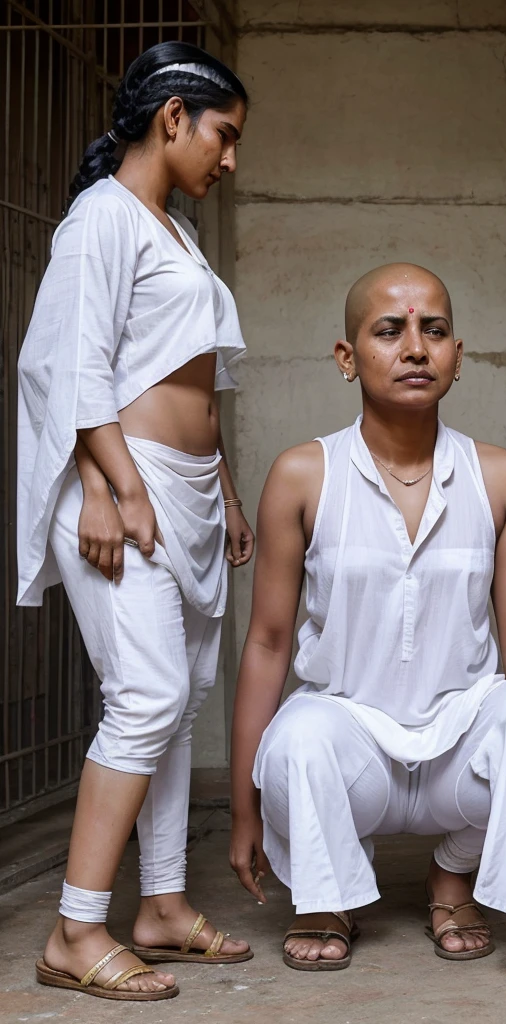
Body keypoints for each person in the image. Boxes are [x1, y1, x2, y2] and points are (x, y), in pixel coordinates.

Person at [229, 263, 506, 968]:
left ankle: (453, 872)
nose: (416, 348)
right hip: (350, 745)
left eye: (435, 330)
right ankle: (328, 892)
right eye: (389, 331)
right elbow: (269, 645)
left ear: (458, 355)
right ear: (347, 357)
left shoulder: (499, 475)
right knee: (298, 734)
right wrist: (244, 808)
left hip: (460, 744)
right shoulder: (304, 474)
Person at [19, 42, 254, 1000]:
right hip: (131, 487)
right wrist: (114, 486)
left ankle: (159, 903)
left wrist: (225, 490)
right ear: (172, 119)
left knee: (179, 700)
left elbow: (188, 373)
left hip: (187, 490)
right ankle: (77, 928)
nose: (230, 160)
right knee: (147, 698)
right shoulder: (100, 222)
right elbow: (69, 367)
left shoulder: (174, 231)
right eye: (224, 136)